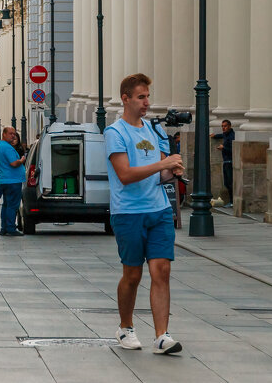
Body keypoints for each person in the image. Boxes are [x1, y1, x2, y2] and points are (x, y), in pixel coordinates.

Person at [105, 73, 184, 356]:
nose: (146, 103)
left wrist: (171, 170)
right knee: (133, 274)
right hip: (129, 212)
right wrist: (162, 163)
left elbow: (159, 173)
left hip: (159, 209)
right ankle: (125, 327)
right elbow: (125, 174)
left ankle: (162, 336)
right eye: (140, 97)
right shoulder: (115, 133)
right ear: (125, 99)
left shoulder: (154, 131)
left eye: (148, 96)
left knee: (161, 270)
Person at [0, 128, 25, 235]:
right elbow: (14, 163)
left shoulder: (0, 146)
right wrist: (22, 160)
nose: (13, 136)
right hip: (12, 180)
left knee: (6, 205)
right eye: (10, 134)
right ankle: (11, 228)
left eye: (14, 134)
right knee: (12, 205)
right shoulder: (7, 147)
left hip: (5, 180)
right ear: (4, 134)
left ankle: (4, 228)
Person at [211, 119, 235, 206]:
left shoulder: (232, 136)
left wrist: (223, 148)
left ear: (229, 126)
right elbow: (221, 135)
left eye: (225, 126)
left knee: (230, 182)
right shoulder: (225, 134)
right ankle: (231, 201)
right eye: (222, 126)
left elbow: (233, 150)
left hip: (230, 161)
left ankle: (232, 201)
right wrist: (214, 136)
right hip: (225, 161)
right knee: (226, 183)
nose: (223, 128)